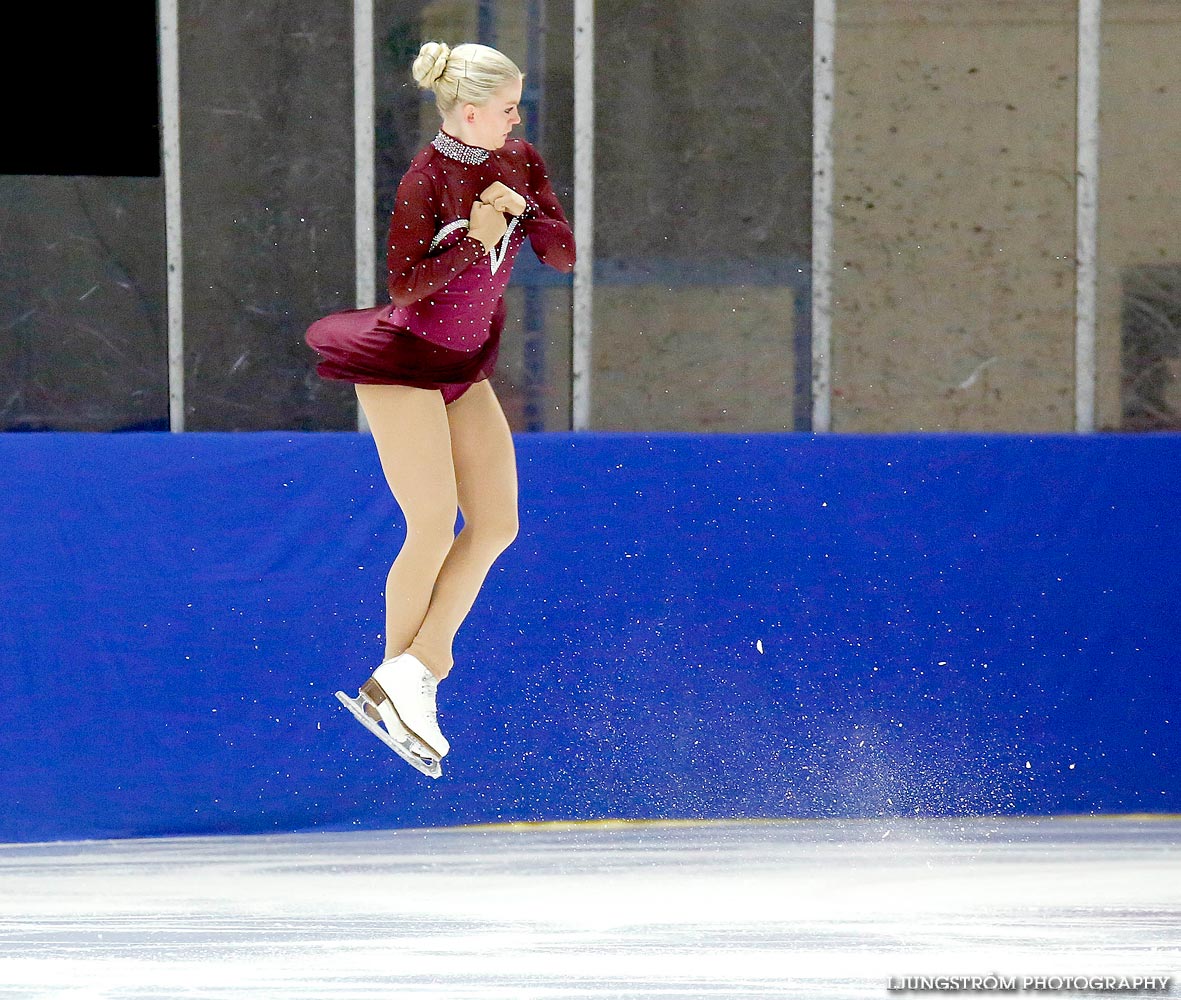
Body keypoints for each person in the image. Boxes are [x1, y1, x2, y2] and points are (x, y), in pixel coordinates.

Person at [306, 41, 575, 778]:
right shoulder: (424, 179)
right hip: (403, 367)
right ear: (467, 111)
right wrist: (476, 241)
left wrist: (524, 216)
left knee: (497, 523)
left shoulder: (518, 159)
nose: (518, 118)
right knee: (432, 523)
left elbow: (561, 254)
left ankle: (417, 669)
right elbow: (404, 286)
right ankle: (399, 676)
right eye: (509, 107)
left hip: (463, 367)